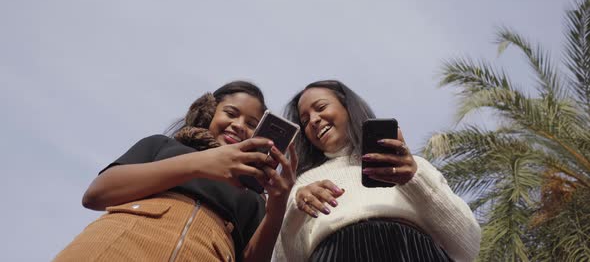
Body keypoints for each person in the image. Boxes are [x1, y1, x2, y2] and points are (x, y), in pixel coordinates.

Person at [55, 81, 297, 262]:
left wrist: (276, 209)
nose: (239, 125)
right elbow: (96, 194)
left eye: (252, 125)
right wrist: (200, 162)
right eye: (231, 113)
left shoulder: (254, 192)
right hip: (116, 246)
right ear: (209, 112)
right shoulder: (163, 145)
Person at [271, 80, 481, 262]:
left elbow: (466, 244)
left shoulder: (410, 166)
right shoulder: (303, 184)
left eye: (321, 107)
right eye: (305, 121)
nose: (314, 120)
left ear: (348, 108)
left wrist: (415, 179)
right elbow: (285, 258)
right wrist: (297, 210)